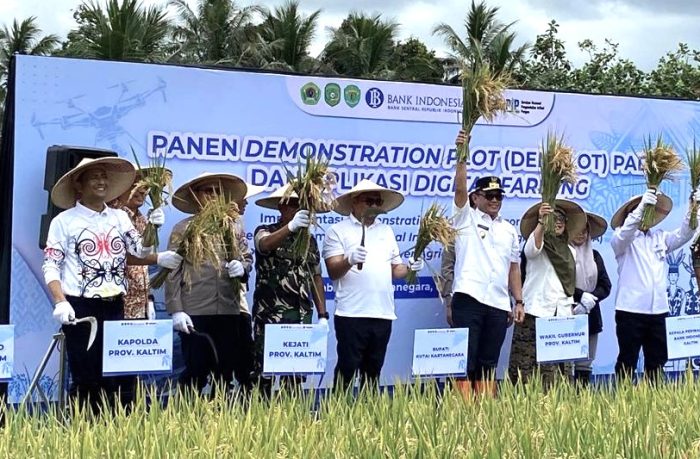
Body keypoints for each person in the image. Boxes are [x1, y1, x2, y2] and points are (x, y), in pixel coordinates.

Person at [42, 157, 182, 412]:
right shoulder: (64, 221)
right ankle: (84, 428)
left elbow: (139, 251)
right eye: (94, 177)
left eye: (104, 176)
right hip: (81, 307)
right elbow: (51, 265)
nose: (101, 181)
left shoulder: (119, 217)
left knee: (117, 375)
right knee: (86, 375)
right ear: (79, 185)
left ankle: (116, 428)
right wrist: (60, 301)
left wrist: (152, 228)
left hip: (116, 306)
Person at [323, 179, 423, 391]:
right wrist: (349, 260)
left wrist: (411, 267)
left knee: (373, 371)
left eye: (378, 202)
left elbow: (396, 270)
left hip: (382, 313)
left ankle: (369, 409)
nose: (375, 206)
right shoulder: (337, 230)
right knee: (347, 368)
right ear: (355, 201)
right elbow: (333, 271)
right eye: (370, 201)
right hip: (351, 313)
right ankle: (338, 408)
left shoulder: (386, 231)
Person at [450, 131, 524, 398]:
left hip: (498, 303)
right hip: (469, 298)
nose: (494, 200)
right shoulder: (465, 219)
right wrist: (462, 156)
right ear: (476, 197)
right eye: (489, 195)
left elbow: (513, 268)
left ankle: (485, 412)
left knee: (489, 363)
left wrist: (518, 301)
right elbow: (459, 190)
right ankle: (461, 412)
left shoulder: (509, 229)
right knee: (464, 361)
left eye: (498, 196)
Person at [164, 172, 253, 394]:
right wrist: (176, 310)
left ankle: (220, 412)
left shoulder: (233, 227)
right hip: (196, 309)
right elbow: (172, 270)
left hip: (228, 308)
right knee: (195, 370)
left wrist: (242, 267)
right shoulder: (184, 229)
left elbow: (246, 257)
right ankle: (187, 411)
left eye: (218, 192)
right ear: (196, 196)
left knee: (225, 371)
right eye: (208, 191)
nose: (213, 196)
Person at [610, 188, 699, 380]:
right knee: (627, 360)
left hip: (658, 311)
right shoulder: (621, 239)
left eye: (648, 209)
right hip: (630, 311)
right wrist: (641, 207)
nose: (644, 213)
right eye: (640, 210)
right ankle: (624, 396)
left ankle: (653, 395)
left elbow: (685, 234)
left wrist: (694, 208)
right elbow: (626, 233)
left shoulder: (659, 237)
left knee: (657, 361)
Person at [249, 183, 329, 396]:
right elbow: (264, 245)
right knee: (263, 374)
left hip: (301, 316)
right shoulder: (265, 230)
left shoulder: (310, 241)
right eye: (293, 204)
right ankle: (260, 412)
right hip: (270, 316)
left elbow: (316, 277)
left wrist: (323, 315)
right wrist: (291, 227)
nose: (298, 209)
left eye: (302, 205)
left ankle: (290, 413)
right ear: (281, 207)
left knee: (294, 376)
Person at [509, 200, 586, 387]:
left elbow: (567, 283)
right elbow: (531, 251)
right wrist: (542, 222)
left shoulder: (570, 251)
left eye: (562, 219)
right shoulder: (538, 242)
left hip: (562, 315)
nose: (558, 222)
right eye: (554, 218)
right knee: (527, 368)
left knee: (561, 369)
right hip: (537, 312)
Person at [107, 166, 172, 320]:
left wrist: (149, 299)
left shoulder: (143, 220)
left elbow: (142, 268)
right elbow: (118, 256)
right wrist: (158, 258)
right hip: (116, 305)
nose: (142, 191)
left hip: (139, 306)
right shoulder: (110, 216)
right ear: (120, 187)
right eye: (135, 185)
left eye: (146, 186)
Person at [229, 183, 265, 394]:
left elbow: (247, 257)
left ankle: (246, 397)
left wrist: (242, 266)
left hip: (239, 302)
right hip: (212, 304)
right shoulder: (203, 227)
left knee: (245, 356)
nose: (246, 203)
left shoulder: (238, 226)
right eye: (243, 199)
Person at [569, 211, 611, 385]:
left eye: (584, 230)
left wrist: (589, 300)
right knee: (565, 359)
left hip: (590, 314)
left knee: (585, 361)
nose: (581, 234)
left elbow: (605, 285)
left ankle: (582, 396)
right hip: (567, 311)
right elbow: (560, 282)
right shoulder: (562, 255)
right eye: (577, 229)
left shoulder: (595, 256)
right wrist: (580, 296)